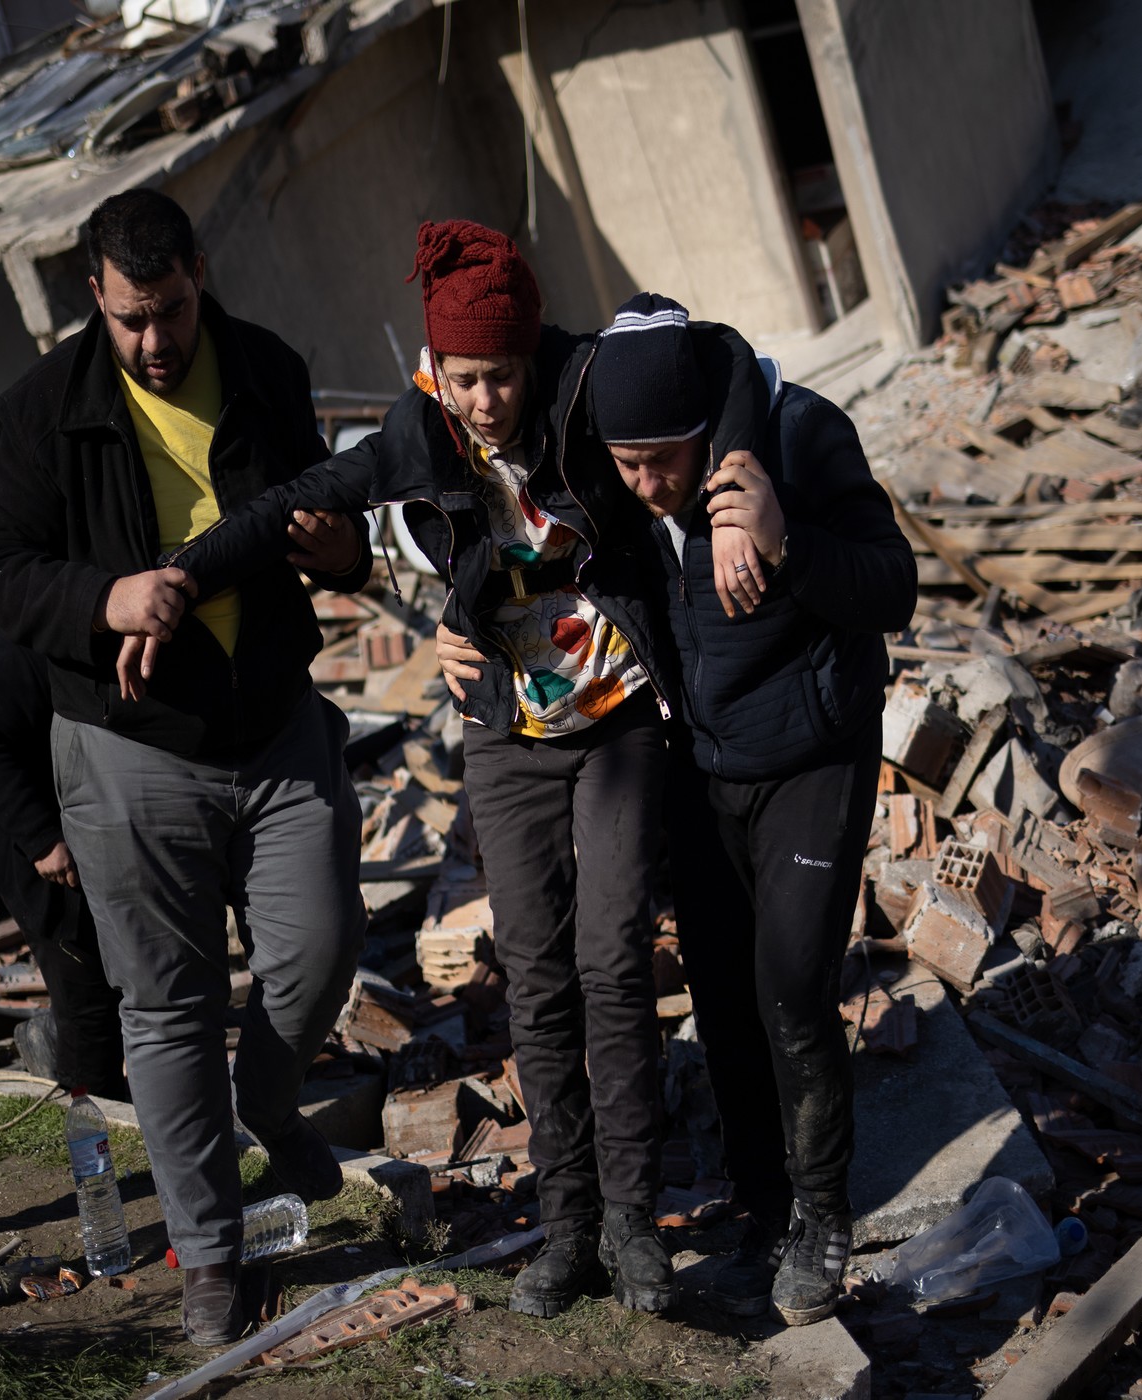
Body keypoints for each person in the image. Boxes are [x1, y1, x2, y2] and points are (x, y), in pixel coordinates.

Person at [134, 226, 768, 1320]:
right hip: (503, 729)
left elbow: (725, 356)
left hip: (615, 713)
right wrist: (181, 578)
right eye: (464, 378)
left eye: (501, 375)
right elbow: (285, 500)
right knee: (534, 969)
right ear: (436, 370)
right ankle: (567, 1228)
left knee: (612, 957)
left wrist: (745, 479)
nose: (485, 401)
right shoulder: (417, 425)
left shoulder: (583, 380)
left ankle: (633, 1222)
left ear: (533, 355)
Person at [0, 188, 372, 1346]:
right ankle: (210, 1252)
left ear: (200, 272)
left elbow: (324, 520)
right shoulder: (41, 410)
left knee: (317, 944)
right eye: (134, 317)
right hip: (126, 750)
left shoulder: (265, 366)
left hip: (277, 726)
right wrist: (104, 597)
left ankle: (268, 1094)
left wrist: (339, 554)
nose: (157, 340)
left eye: (175, 309)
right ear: (93, 294)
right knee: (166, 1013)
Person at [548, 299, 915, 1326]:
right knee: (720, 994)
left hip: (814, 753)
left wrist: (783, 538)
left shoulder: (798, 437)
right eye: (622, 462)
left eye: (657, 460)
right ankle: (764, 1204)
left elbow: (893, 586)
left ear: (702, 429)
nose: (642, 483)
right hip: (702, 768)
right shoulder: (618, 482)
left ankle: (823, 1213)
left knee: (791, 984)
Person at [0, 438, 126, 1099]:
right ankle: (97, 1116)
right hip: (41, 853)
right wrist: (44, 841)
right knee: (83, 989)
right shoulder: (31, 631)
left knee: (106, 985)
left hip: (72, 836)